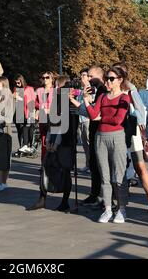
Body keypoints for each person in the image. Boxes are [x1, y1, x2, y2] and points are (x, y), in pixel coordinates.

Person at [84, 66, 131, 224]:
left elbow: (118, 120)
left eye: (111, 79)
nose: (108, 82)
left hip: (116, 137)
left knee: (118, 176)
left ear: (120, 80)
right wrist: (85, 100)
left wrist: (101, 117)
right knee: (104, 175)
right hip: (100, 137)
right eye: (107, 79)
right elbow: (92, 114)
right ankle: (108, 208)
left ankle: (121, 208)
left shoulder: (124, 98)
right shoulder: (103, 96)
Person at [114, 63, 148, 213]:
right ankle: (120, 203)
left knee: (140, 166)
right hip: (117, 131)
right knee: (120, 167)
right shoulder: (111, 90)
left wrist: (141, 127)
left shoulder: (130, 89)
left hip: (131, 131)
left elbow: (141, 110)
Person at [27, 76, 73, 212]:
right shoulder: (57, 100)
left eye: (59, 86)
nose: (56, 88)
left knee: (64, 170)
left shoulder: (67, 101)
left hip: (64, 140)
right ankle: (42, 197)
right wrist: (48, 139)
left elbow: (63, 123)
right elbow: (52, 122)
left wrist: (57, 142)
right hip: (52, 137)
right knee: (46, 168)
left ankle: (65, 201)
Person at [69, 66, 106, 207]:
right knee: (94, 165)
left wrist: (84, 101)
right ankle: (95, 194)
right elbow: (90, 111)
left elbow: (94, 113)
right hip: (94, 129)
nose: (88, 79)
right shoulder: (95, 89)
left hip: (101, 131)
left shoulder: (102, 89)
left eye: (90, 76)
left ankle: (104, 197)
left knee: (100, 166)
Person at [13, 74, 36, 153]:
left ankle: (29, 146)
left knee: (29, 130)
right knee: (20, 131)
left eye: (18, 83)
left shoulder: (29, 88)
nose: (17, 85)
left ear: (22, 81)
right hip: (18, 112)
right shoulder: (16, 89)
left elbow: (32, 100)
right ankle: (22, 147)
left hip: (28, 111)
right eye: (16, 83)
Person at [36, 71, 55, 162]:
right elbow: (36, 104)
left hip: (53, 117)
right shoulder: (40, 90)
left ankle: (53, 163)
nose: (45, 79)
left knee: (52, 140)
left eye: (47, 77)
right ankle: (44, 163)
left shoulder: (55, 90)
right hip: (43, 118)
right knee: (44, 140)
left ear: (52, 79)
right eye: (43, 78)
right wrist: (37, 111)